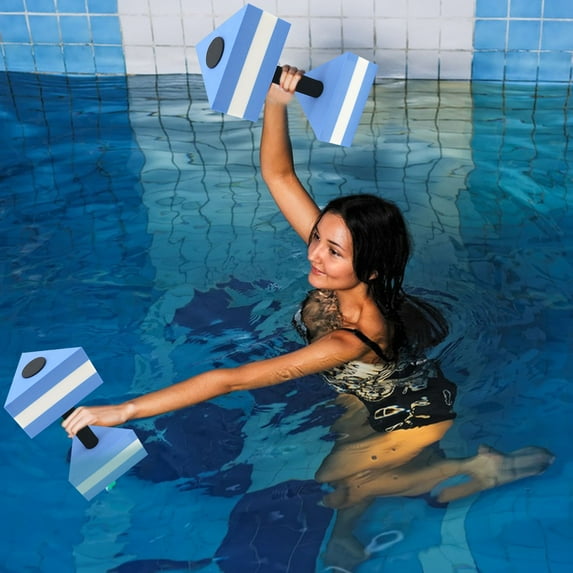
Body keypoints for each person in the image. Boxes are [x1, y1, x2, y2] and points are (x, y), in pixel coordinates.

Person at [62, 67, 554, 571]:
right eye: (317, 236)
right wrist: (277, 100)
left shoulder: (350, 339)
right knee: (347, 472)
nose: (314, 253)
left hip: (413, 420)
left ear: (371, 269)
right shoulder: (342, 272)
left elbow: (231, 379)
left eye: (332, 250)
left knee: (336, 485)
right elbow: (279, 177)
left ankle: (478, 467)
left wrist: (123, 411)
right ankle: (354, 533)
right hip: (366, 395)